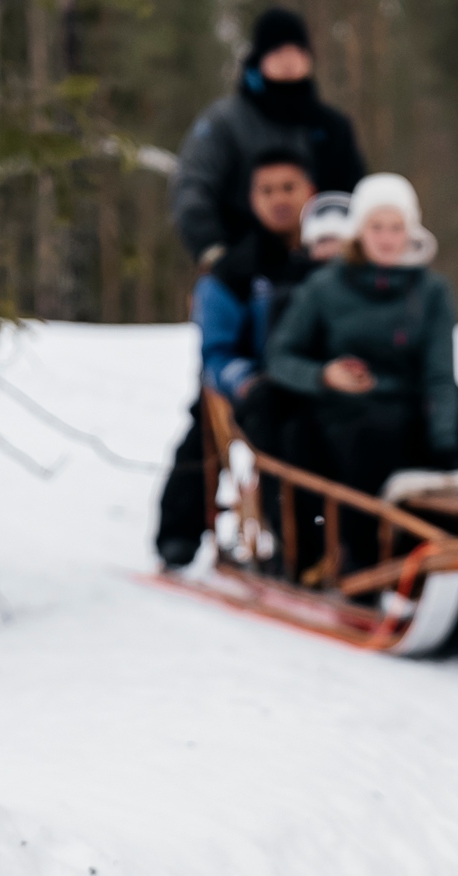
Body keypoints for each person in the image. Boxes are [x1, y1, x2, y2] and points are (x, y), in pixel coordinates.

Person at [265, 172, 458, 574]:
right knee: (373, 433)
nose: (386, 237)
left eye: (396, 228)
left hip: (414, 413)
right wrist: (324, 376)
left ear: (411, 231)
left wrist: (445, 445)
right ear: (359, 232)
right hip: (349, 416)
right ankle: (366, 557)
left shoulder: (432, 291)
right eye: (376, 227)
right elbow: (279, 357)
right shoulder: (324, 287)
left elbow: (439, 373)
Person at [154, 147, 322, 568]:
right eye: (267, 190)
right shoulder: (235, 269)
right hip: (254, 384)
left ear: (309, 192)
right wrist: (246, 380)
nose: (279, 199)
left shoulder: (327, 257)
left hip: (318, 380)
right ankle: (181, 533)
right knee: (209, 428)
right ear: (252, 199)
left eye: (289, 188)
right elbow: (216, 351)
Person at [170, 7, 364, 270]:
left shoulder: (331, 126)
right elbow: (193, 187)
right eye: (278, 52)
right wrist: (213, 252)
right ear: (259, 58)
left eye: (297, 51)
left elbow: (356, 195)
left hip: (323, 264)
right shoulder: (224, 123)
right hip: (242, 265)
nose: (288, 61)